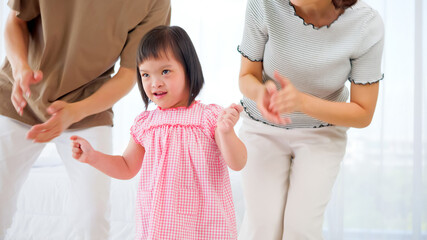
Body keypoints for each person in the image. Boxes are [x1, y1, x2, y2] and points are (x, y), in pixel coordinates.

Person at [0, 0, 171, 239]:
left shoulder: (156, 3)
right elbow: (15, 21)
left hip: (89, 104)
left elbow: (129, 72)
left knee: (92, 217)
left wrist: (76, 111)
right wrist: (20, 69)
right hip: (19, 96)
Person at [70, 25, 247, 240]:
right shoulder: (146, 124)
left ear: (189, 70)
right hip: (161, 228)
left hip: (205, 226)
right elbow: (126, 167)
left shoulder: (208, 118)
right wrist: (93, 156)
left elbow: (238, 163)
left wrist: (227, 133)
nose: (155, 83)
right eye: (145, 74)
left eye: (165, 71)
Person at [237, 0, 384, 239]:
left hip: (322, 133)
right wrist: (261, 93)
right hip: (262, 127)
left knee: (301, 229)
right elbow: (246, 76)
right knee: (261, 228)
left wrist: (301, 102)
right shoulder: (263, 4)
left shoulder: (366, 24)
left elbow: (363, 112)